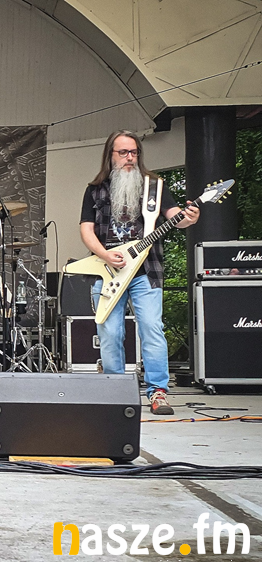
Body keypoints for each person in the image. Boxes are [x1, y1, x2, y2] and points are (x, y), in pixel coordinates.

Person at [79, 130, 200, 415]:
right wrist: (105, 254)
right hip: (107, 271)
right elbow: (86, 229)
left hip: (147, 271)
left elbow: (175, 218)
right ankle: (115, 391)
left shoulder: (154, 186)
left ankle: (158, 392)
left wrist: (190, 217)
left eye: (134, 152)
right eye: (123, 152)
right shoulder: (95, 190)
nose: (130, 158)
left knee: (152, 329)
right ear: (111, 155)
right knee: (110, 332)